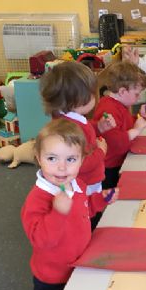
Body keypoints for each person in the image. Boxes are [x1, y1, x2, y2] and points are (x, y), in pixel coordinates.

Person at [21, 119, 118, 290]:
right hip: (51, 278)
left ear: (81, 160)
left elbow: (84, 208)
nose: (62, 168)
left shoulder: (75, 183)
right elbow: (41, 240)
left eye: (71, 159)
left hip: (75, 268)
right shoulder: (38, 199)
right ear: (38, 158)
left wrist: (101, 200)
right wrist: (58, 213)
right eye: (52, 159)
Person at [40, 61, 114, 228]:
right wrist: (101, 152)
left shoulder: (69, 119)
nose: (95, 97)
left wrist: (99, 127)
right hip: (84, 184)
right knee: (87, 217)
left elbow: (85, 129)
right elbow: (81, 163)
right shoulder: (69, 129)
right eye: (92, 94)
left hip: (84, 182)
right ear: (78, 99)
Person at [93, 60, 146, 188]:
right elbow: (115, 142)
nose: (138, 98)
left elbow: (124, 124)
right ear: (122, 92)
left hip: (119, 161)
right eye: (136, 94)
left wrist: (140, 117)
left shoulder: (119, 105)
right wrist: (135, 131)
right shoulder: (108, 109)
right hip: (109, 169)